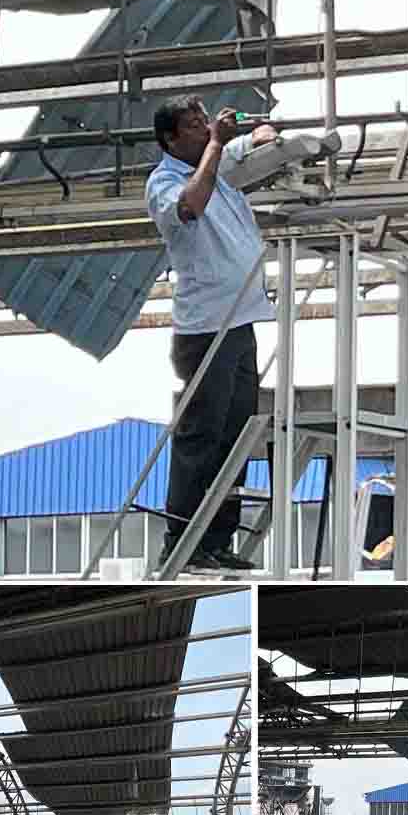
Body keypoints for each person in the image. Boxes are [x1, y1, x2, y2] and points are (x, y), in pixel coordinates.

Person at [146, 96, 278, 571]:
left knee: (235, 435)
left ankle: (217, 539)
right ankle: (180, 539)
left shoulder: (216, 166)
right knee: (201, 436)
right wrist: (219, 145)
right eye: (193, 125)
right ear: (170, 138)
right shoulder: (166, 182)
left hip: (240, 322)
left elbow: (248, 146)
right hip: (206, 329)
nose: (204, 129)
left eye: (206, 122)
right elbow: (190, 206)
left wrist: (261, 136)